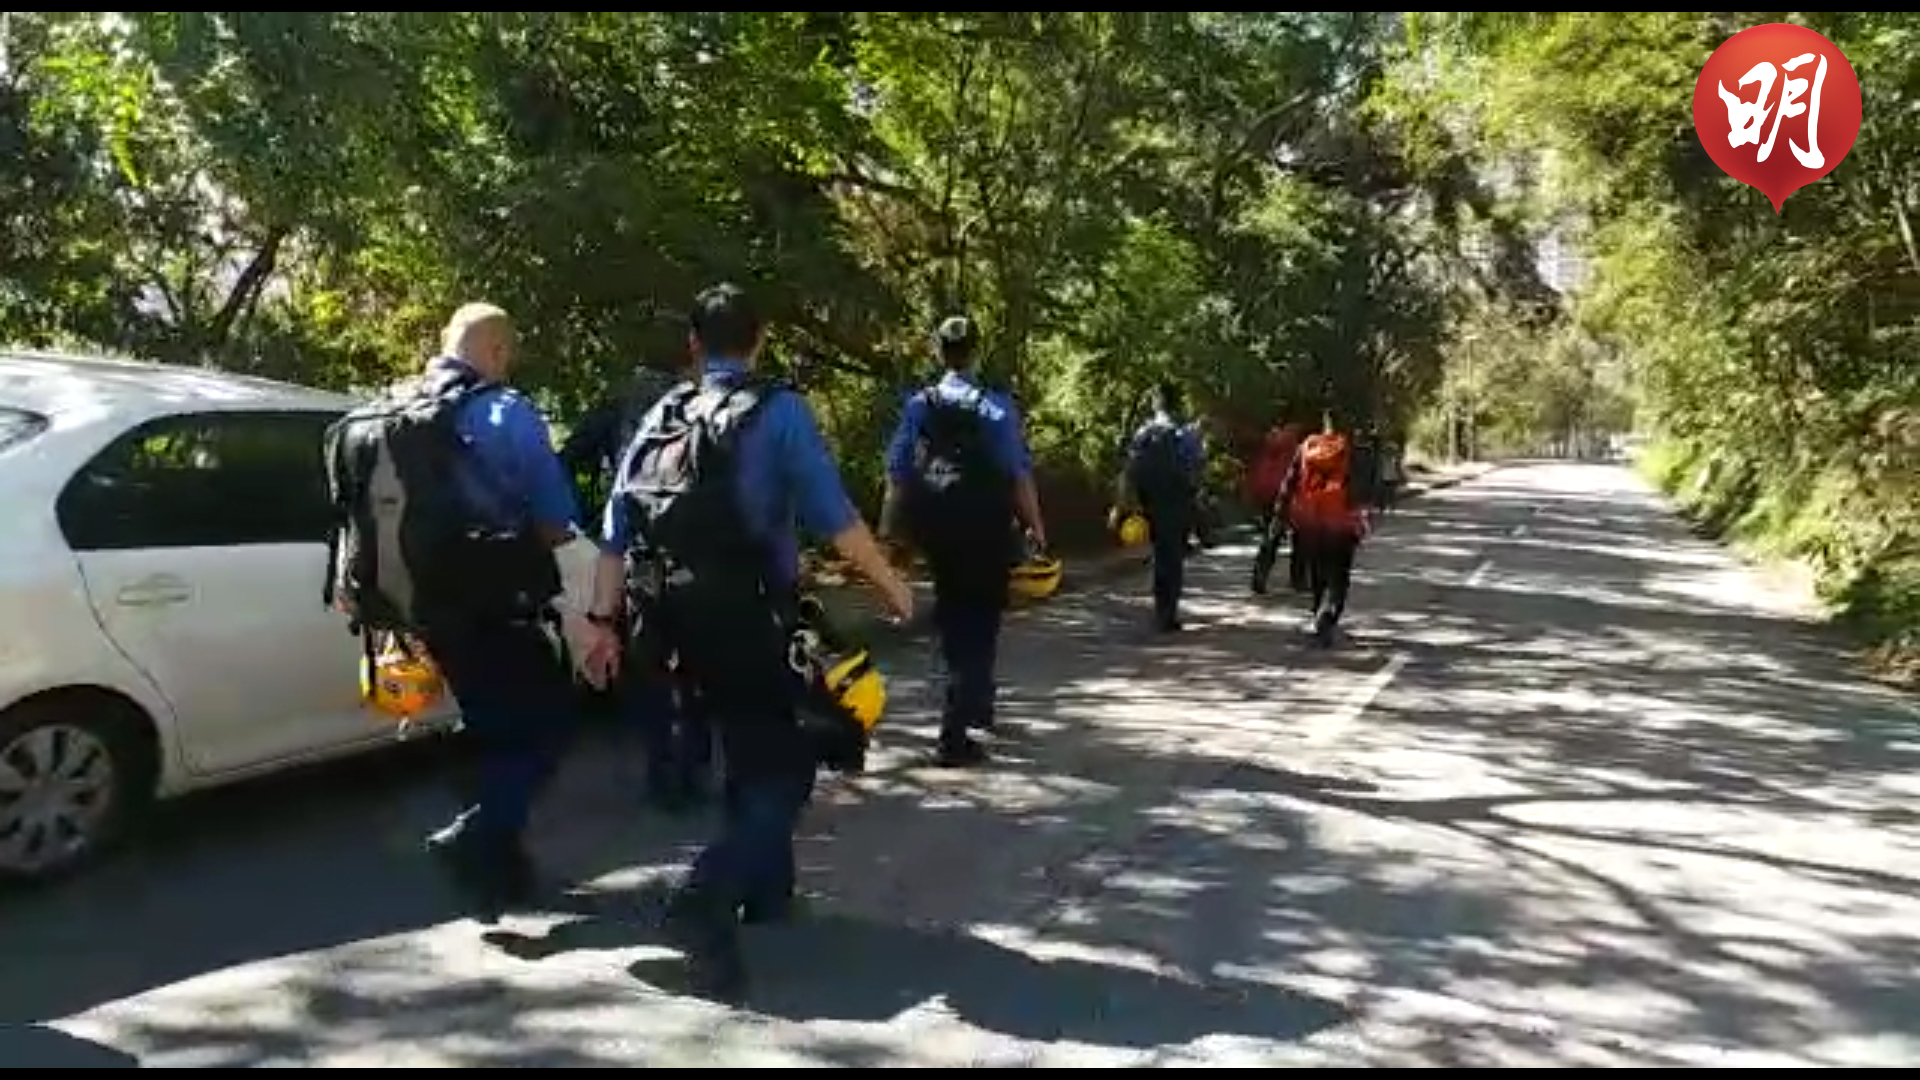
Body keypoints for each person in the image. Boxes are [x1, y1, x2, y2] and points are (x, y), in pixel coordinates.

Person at [576, 283, 912, 1001]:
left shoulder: (664, 413)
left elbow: (616, 526)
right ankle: (705, 898)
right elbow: (833, 515)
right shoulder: (777, 411)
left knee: (746, 748)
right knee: (787, 769)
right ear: (759, 340)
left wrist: (601, 625)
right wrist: (891, 585)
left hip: (663, 622)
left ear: (694, 345)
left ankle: (766, 896)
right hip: (749, 618)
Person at [406, 304, 581, 911]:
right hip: (498, 606)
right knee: (550, 727)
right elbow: (558, 525)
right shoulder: (506, 411)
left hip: (425, 608)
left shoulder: (396, 410)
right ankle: (475, 836)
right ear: (499, 352)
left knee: (490, 729)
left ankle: (500, 876)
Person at [881, 314, 1047, 767]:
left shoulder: (920, 405)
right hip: (985, 528)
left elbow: (896, 471)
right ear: (975, 351)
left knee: (955, 615)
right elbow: (1018, 475)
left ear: (939, 352)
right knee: (982, 621)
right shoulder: (994, 407)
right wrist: (1036, 526)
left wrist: (891, 534)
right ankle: (955, 730)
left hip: (936, 527)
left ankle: (975, 702)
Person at [559, 356, 708, 812]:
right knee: (698, 667)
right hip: (697, 556)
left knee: (647, 668)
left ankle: (659, 770)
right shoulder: (699, 405)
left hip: (633, 552)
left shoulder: (618, 407)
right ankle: (695, 765)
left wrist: (579, 516)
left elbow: (563, 462)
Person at [1276, 409, 1370, 645]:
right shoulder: (1352, 450)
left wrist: (1281, 510)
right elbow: (1362, 488)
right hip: (1341, 523)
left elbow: (1289, 481)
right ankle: (1328, 614)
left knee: (1318, 572)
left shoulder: (1307, 448)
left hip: (1312, 521)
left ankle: (1319, 610)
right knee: (1339, 575)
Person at [1121, 383, 1204, 632]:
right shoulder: (1184, 433)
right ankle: (1168, 611)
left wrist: (1127, 502)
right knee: (1174, 556)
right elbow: (1196, 466)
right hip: (1177, 501)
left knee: (1159, 553)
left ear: (1156, 403)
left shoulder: (1144, 432)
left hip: (1151, 501)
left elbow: (1130, 468)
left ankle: (1160, 608)